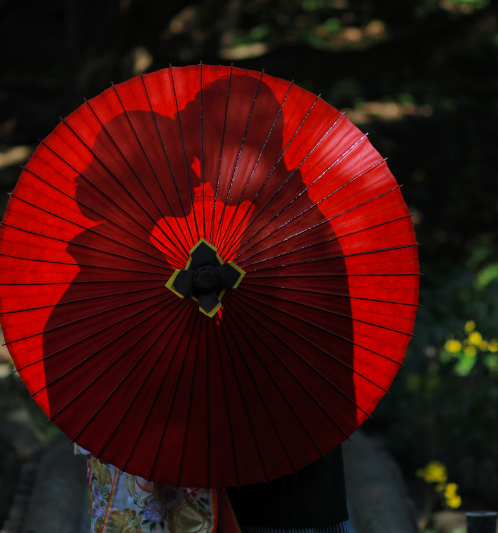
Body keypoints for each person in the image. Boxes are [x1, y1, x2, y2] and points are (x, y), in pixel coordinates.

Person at [39, 67, 353, 532]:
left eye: (200, 153)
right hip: (261, 475)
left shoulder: (281, 236)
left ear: (246, 148)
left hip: (284, 487)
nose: (197, 173)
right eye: (188, 161)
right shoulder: (275, 222)